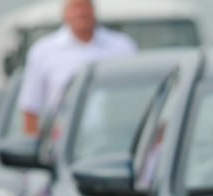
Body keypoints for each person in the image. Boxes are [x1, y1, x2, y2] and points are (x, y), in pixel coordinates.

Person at [17, 0, 136, 137]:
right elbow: (31, 106)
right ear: (64, 13)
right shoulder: (43, 51)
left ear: (93, 10)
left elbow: (138, 97)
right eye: (76, 7)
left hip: (117, 136)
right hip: (64, 141)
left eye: (85, 6)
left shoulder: (122, 46)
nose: (81, 12)